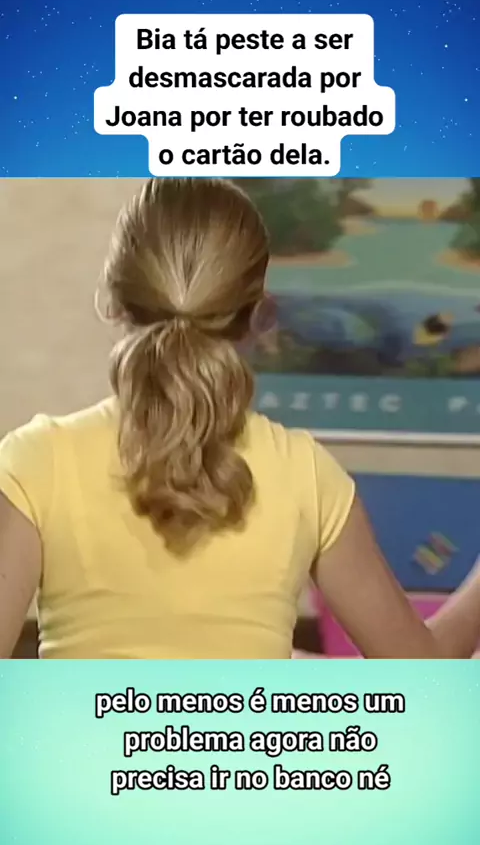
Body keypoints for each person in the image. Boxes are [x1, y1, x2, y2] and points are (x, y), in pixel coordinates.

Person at [1, 177, 480, 660]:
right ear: (260, 316)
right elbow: (423, 670)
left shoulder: (37, 461)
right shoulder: (306, 475)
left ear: (110, 300)